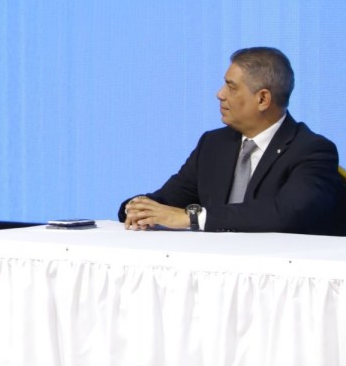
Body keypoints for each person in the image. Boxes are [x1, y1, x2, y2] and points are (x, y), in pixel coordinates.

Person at [120, 47, 346, 235]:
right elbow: (168, 201)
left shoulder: (311, 150)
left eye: (231, 87)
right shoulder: (213, 144)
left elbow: (287, 214)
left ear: (263, 99)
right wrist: (138, 207)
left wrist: (193, 218)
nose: (220, 94)